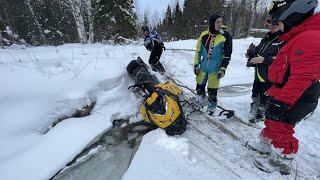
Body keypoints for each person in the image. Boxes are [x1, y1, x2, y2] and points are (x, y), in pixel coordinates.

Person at [249, 0, 320, 175]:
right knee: (271, 117)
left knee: (281, 124)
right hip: (286, 89)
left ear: (292, 18)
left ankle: (282, 159)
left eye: (278, 24)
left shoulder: (309, 37)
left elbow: (302, 77)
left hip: (300, 94)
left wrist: (282, 102)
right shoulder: (300, 35)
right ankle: (266, 145)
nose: (277, 28)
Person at [126, 57, 186, 136]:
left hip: (159, 98)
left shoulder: (141, 76)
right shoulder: (144, 73)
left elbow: (148, 95)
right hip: (159, 94)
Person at [246, 17, 285, 123]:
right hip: (259, 73)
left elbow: (282, 60)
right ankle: (254, 108)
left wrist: (264, 59)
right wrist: (251, 52)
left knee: (265, 96)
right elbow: (258, 51)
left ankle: (261, 113)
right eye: (270, 23)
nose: (271, 25)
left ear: (280, 25)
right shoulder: (266, 38)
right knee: (255, 93)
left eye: (275, 24)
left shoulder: (282, 41)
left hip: (270, 76)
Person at [194, 14, 232, 115]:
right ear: (212, 23)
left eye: (221, 22)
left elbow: (227, 55)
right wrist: (196, 64)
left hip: (216, 66)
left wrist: (223, 68)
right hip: (203, 65)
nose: (220, 24)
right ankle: (199, 101)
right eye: (217, 22)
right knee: (199, 85)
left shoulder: (225, 36)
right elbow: (198, 51)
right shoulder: (203, 35)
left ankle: (211, 107)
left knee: (212, 89)